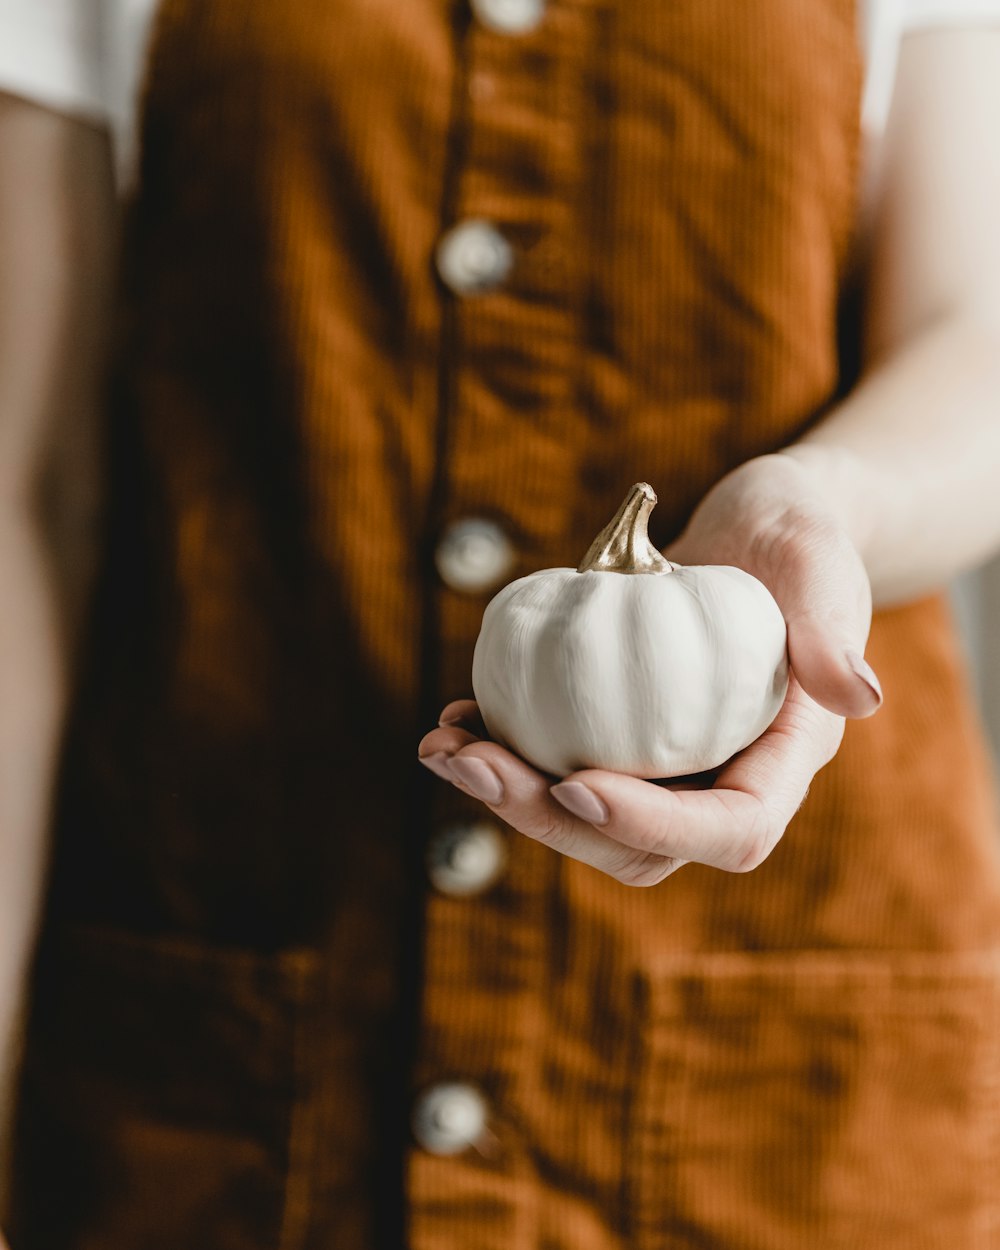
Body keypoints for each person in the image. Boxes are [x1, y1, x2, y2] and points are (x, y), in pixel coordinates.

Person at [1, 1, 1000, 1246]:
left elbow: (975, 347)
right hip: (221, 1017)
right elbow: (33, 493)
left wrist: (823, 504)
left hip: (788, 1067)